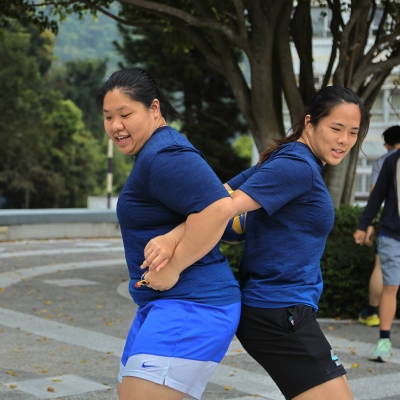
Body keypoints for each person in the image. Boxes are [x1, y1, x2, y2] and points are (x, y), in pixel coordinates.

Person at [143, 86, 370, 400]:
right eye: (336, 128)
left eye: (353, 132)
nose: (344, 140)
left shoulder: (286, 159)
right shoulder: (298, 166)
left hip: (276, 308)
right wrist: (171, 244)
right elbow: (221, 205)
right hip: (279, 310)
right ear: (309, 123)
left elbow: (218, 195)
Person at [95, 69, 241, 400]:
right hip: (164, 305)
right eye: (108, 117)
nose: (116, 125)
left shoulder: (165, 154)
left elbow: (218, 208)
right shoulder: (155, 152)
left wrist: (173, 267)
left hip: (192, 304)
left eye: (125, 114)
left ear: (154, 109)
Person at [353, 146, 400, 362]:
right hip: (392, 234)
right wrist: (364, 224)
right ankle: (384, 341)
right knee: (390, 287)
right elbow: (377, 195)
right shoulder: (392, 162)